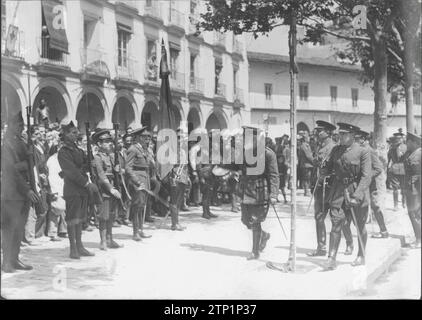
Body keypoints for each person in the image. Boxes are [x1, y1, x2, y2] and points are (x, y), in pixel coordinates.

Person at [320, 123, 372, 270]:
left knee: (359, 225)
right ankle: (331, 258)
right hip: (338, 191)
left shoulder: (363, 152)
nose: (341, 137)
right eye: (340, 134)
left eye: (344, 134)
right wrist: (323, 169)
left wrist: (357, 195)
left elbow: (366, 176)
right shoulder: (336, 150)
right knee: (336, 223)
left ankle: (361, 255)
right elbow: (329, 166)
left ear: (352, 135)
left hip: (356, 190)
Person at [1, 111, 39, 272]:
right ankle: (6, 262)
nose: (21, 128)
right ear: (10, 126)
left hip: (23, 193)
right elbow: (11, 170)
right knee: (10, 229)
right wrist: (27, 189)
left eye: (23, 125)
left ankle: (15, 259)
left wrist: (32, 150)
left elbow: (33, 163)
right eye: (19, 125)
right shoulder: (6, 144)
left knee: (19, 228)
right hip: (12, 193)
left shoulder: (22, 142)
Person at [237, 126, 279, 260]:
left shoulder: (268, 154)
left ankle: (255, 252)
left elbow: (273, 175)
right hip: (246, 190)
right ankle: (264, 235)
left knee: (255, 221)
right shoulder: (243, 152)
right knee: (245, 220)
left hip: (260, 190)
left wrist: (273, 194)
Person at [58, 121, 98, 259]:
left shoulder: (79, 150)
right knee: (72, 219)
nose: (76, 135)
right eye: (73, 133)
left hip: (81, 189)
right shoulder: (63, 152)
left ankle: (80, 246)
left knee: (80, 218)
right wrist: (87, 184)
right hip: (72, 188)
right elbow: (71, 172)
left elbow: (84, 166)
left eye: (76, 132)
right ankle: (73, 248)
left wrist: (90, 163)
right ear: (65, 135)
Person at [307, 120, 336, 257]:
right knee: (319, 217)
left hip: (329, 186)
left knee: (338, 218)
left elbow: (322, 164)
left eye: (320, 131)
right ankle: (322, 247)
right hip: (320, 185)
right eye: (317, 131)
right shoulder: (321, 146)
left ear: (328, 132)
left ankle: (348, 243)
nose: (317, 133)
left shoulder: (332, 147)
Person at [92, 129, 124, 250]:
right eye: (105, 141)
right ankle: (103, 241)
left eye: (109, 141)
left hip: (112, 186)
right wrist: (111, 189)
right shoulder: (97, 157)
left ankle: (110, 239)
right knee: (103, 216)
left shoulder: (110, 156)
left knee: (111, 215)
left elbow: (114, 172)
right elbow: (101, 174)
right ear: (99, 144)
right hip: (103, 189)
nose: (109, 143)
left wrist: (117, 170)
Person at [126, 126, 153, 240]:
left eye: (148, 136)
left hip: (145, 178)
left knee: (142, 205)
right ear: (137, 137)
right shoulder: (133, 149)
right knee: (137, 206)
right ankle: (135, 232)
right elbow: (128, 167)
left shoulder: (145, 149)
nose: (147, 138)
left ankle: (141, 230)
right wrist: (136, 181)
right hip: (138, 179)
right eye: (144, 136)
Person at [402, 132, 421, 248]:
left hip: (418, 187)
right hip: (409, 186)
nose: (406, 143)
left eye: (408, 142)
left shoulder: (420, 154)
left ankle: (419, 240)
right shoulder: (408, 154)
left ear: (414, 142)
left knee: (416, 213)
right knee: (411, 212)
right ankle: (418, 238)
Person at [46, 139, 67, 241]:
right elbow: (52, 176)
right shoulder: (52, 160)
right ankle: (52, 233)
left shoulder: (65, 158)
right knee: (56, 210)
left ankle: (63, 230)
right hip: (57, 188)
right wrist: (54, 191)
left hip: (65, 187)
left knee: (64, 210)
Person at [387, 131, 407, 210]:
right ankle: (396, 205)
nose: (398, 140)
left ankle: (404, 202)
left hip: (403, 169)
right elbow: (388, 159)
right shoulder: (392, 148)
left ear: (402, 139)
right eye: (397, 138)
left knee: (403, 187)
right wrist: (387, 168)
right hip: (395, 169)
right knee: (395, 188)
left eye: (399, 138)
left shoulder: (405, 147)